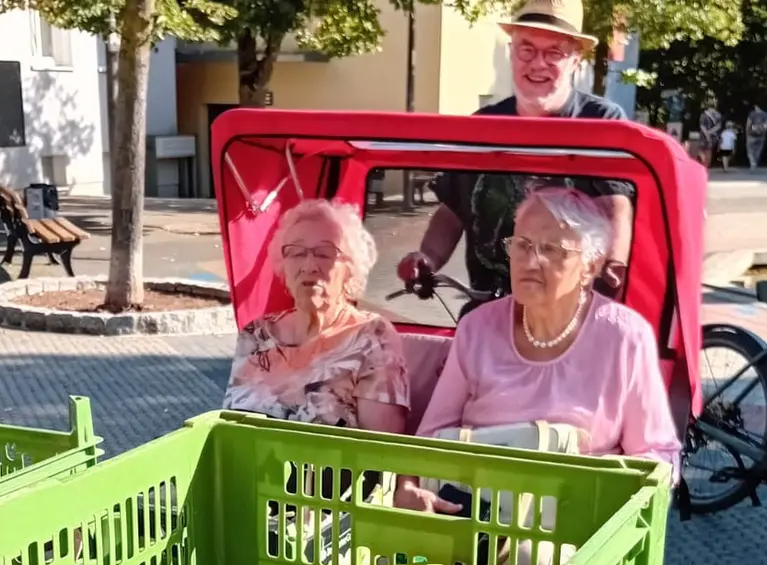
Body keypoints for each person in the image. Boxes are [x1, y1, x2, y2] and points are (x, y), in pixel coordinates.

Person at [394, 186, 681, 516]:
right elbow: (430, 438)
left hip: (577, 525)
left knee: (533, 559)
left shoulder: (625, 337)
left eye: (551, 249)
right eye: (522, 245)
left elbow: (658, 455)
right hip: (473, 517)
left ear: (590, 266)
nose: (530, 261)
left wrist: (595, 481)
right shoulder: (477, 328)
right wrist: (408, 488)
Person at [397, 0, 634, 308]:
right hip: (488, 311)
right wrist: (426, 258)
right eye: (527, 49)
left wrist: (612, 269)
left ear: (576, 60)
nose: (538, 63)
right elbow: (452, 211)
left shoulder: (601, 121)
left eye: (554, 52)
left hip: (568, 314)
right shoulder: (481, 126)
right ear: (511, 52)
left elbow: (615, 207)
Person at [223, 198, 409, 433]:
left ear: (350, 269)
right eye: (297, 252)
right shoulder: (255, 335)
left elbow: (384, 451)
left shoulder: (373, 337)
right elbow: (228, 428)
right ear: (283, 265)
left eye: (324, 253)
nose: (309, 265)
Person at [698, 101, 722, 168]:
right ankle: (707, 165)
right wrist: (710, 132)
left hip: (703, 136)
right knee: (709, 151)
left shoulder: (704, 114)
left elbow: (702, 126)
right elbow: (719, 126)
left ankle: (703, 164)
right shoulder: (718, 114)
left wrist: (707, 134)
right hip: (714, 136)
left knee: (700, 150)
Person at [746, 104, 767, 169]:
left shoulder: (752, 114)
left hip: (751, 135)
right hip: (761, 135)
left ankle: (752, 163)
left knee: (750, 150)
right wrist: (764, 132)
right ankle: (755, 162)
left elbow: (748, 124)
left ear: (756, 106)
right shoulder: (765, 114)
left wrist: (747, 133)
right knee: (758, 151)